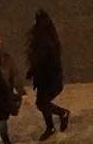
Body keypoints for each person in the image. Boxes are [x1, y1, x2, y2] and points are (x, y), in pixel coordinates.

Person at [25, 11, 68, 141]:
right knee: (42, 103)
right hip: (48, 79)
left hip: (47, 80)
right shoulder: (50, 40)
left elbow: (41, 62)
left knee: (42, 103)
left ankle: (62, 114)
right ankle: (51, 126)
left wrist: (32, 71)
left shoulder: (44, 43)